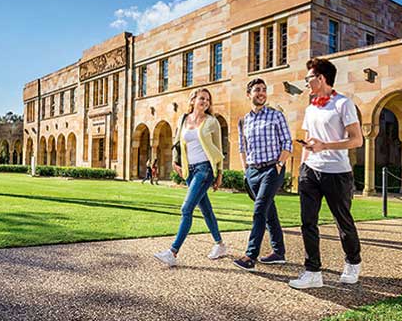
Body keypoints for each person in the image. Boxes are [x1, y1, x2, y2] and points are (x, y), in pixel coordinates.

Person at [289, 58, 363, 289]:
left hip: (337, 173)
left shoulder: (343, 104)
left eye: (309, 78)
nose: (307, 83)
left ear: (321, 78)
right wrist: (302, 169)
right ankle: (313, 271)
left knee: (343, 221)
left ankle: (353, 261)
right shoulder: (311, 107)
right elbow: (310, 140)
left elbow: (357, 139)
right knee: (307, 222)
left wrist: (325, 146)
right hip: (311, 171)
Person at [154, 88, 227, 266]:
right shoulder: (184, 119)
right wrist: (174, 162)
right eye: (202, 98)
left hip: (205, 170)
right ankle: (220, 244)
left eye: (208, 100)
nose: (205, 102)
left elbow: (219, 150)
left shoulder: (212, 122)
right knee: (206, 210)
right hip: (189, 170)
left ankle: (173, 252)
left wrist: (219, 174)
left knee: (186, 209)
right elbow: (177, 142)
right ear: (193, 100)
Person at [233, 78, 293, 271]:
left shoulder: (276, 116)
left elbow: (287, 142)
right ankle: (278, 252)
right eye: (257, 90)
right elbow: (242, 147)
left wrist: (280, 163)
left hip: (271, 169)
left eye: (264, 90)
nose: (261, 93)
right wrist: (246, 170)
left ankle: (250, 256)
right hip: (253, 171)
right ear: (249, 94)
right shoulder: (244, 120)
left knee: (259, 210)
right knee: (268, 211)